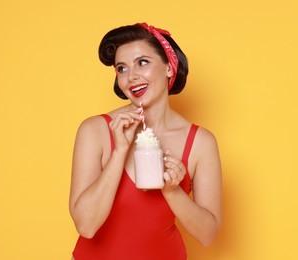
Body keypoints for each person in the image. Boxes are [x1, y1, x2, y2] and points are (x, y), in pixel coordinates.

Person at [69, 22, 222, 260]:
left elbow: (208, 235)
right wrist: (120, 151)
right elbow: (86, 226)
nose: (131, 77)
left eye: (143, 62)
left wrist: (172, 191)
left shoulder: (201, 142)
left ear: (169, 67)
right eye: (122, 68)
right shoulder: (95, 130)